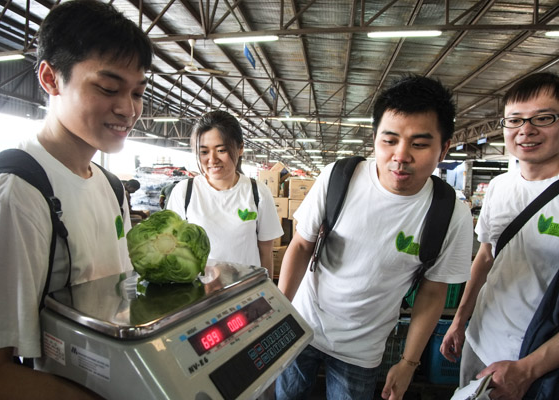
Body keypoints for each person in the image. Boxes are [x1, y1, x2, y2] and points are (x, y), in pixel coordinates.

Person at [275, 75, 473, 400]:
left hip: (362, 350)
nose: (401, 155)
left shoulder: (450, 214)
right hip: (303, 325)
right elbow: (301, 244)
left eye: (419, 144)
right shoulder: (339, 178)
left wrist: (409, 362)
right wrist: (281, 315)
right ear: (375, 138)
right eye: (389, 140)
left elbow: (433, 292)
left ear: (444, 148)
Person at [0, 1, 152, 398]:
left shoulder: (111, 186)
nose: (128, 109)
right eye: (108, 87)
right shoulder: (20, 193)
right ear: (50, 77)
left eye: (137, 92)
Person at [440, 72, 559, 399]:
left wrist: (528, 369)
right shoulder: (500, 187)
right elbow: (486, 256)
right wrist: (460, 320)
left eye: (543, 118)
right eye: (515, 120)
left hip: (533, 358)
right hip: (479, 342)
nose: (526, 129)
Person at [166, 110, 283, 278]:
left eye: (221, 150)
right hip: (198, 294)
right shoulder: (185, 192)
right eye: (204, 152)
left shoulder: (258, 193)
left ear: (240, 148)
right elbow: (172, 251)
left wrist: (266, 293)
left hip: (245, 293)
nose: (212, 159)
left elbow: (265, 253)